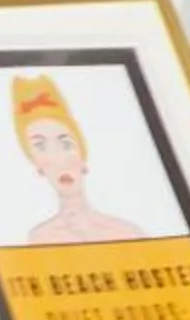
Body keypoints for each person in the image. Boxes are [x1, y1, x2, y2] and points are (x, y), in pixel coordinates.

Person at [12, 76, 146, 246]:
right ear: (36, 163)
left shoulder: (128, 232)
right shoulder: (39, 239)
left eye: (66, 144)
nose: (58, 160)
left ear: (82, 154)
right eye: (40, 147)